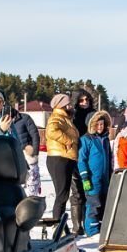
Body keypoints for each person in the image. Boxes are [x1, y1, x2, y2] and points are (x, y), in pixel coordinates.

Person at [45, 94, 81, 231]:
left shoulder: (65, 118)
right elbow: (51, 132)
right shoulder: (57, 117)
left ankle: (60, 224)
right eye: (69, 104)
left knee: (63, 194)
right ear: (62, 105)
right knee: (61, 195)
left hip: (66, 158)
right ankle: (56, 226)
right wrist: (69, 140)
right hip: (59, 159)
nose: (71, 106)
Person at [77, 110, 113, 236]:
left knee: (103, 205)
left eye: (102, 124)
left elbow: (109, 159)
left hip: (105, 179)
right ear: (92, 125)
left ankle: (102, 230)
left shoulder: (105, 139)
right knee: (94, 205)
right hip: (92, 180)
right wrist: (85, 177)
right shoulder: (86, 140)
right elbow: (81, 160)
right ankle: (91, 231)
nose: (100, 127)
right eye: (97, 124)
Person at [11, 104, 42, 197]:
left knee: (32, 180)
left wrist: (34, 153)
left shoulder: (25, 118)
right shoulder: (2, 121)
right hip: (13, 156)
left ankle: (32, 200)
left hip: (28, 154)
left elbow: (35, 135)